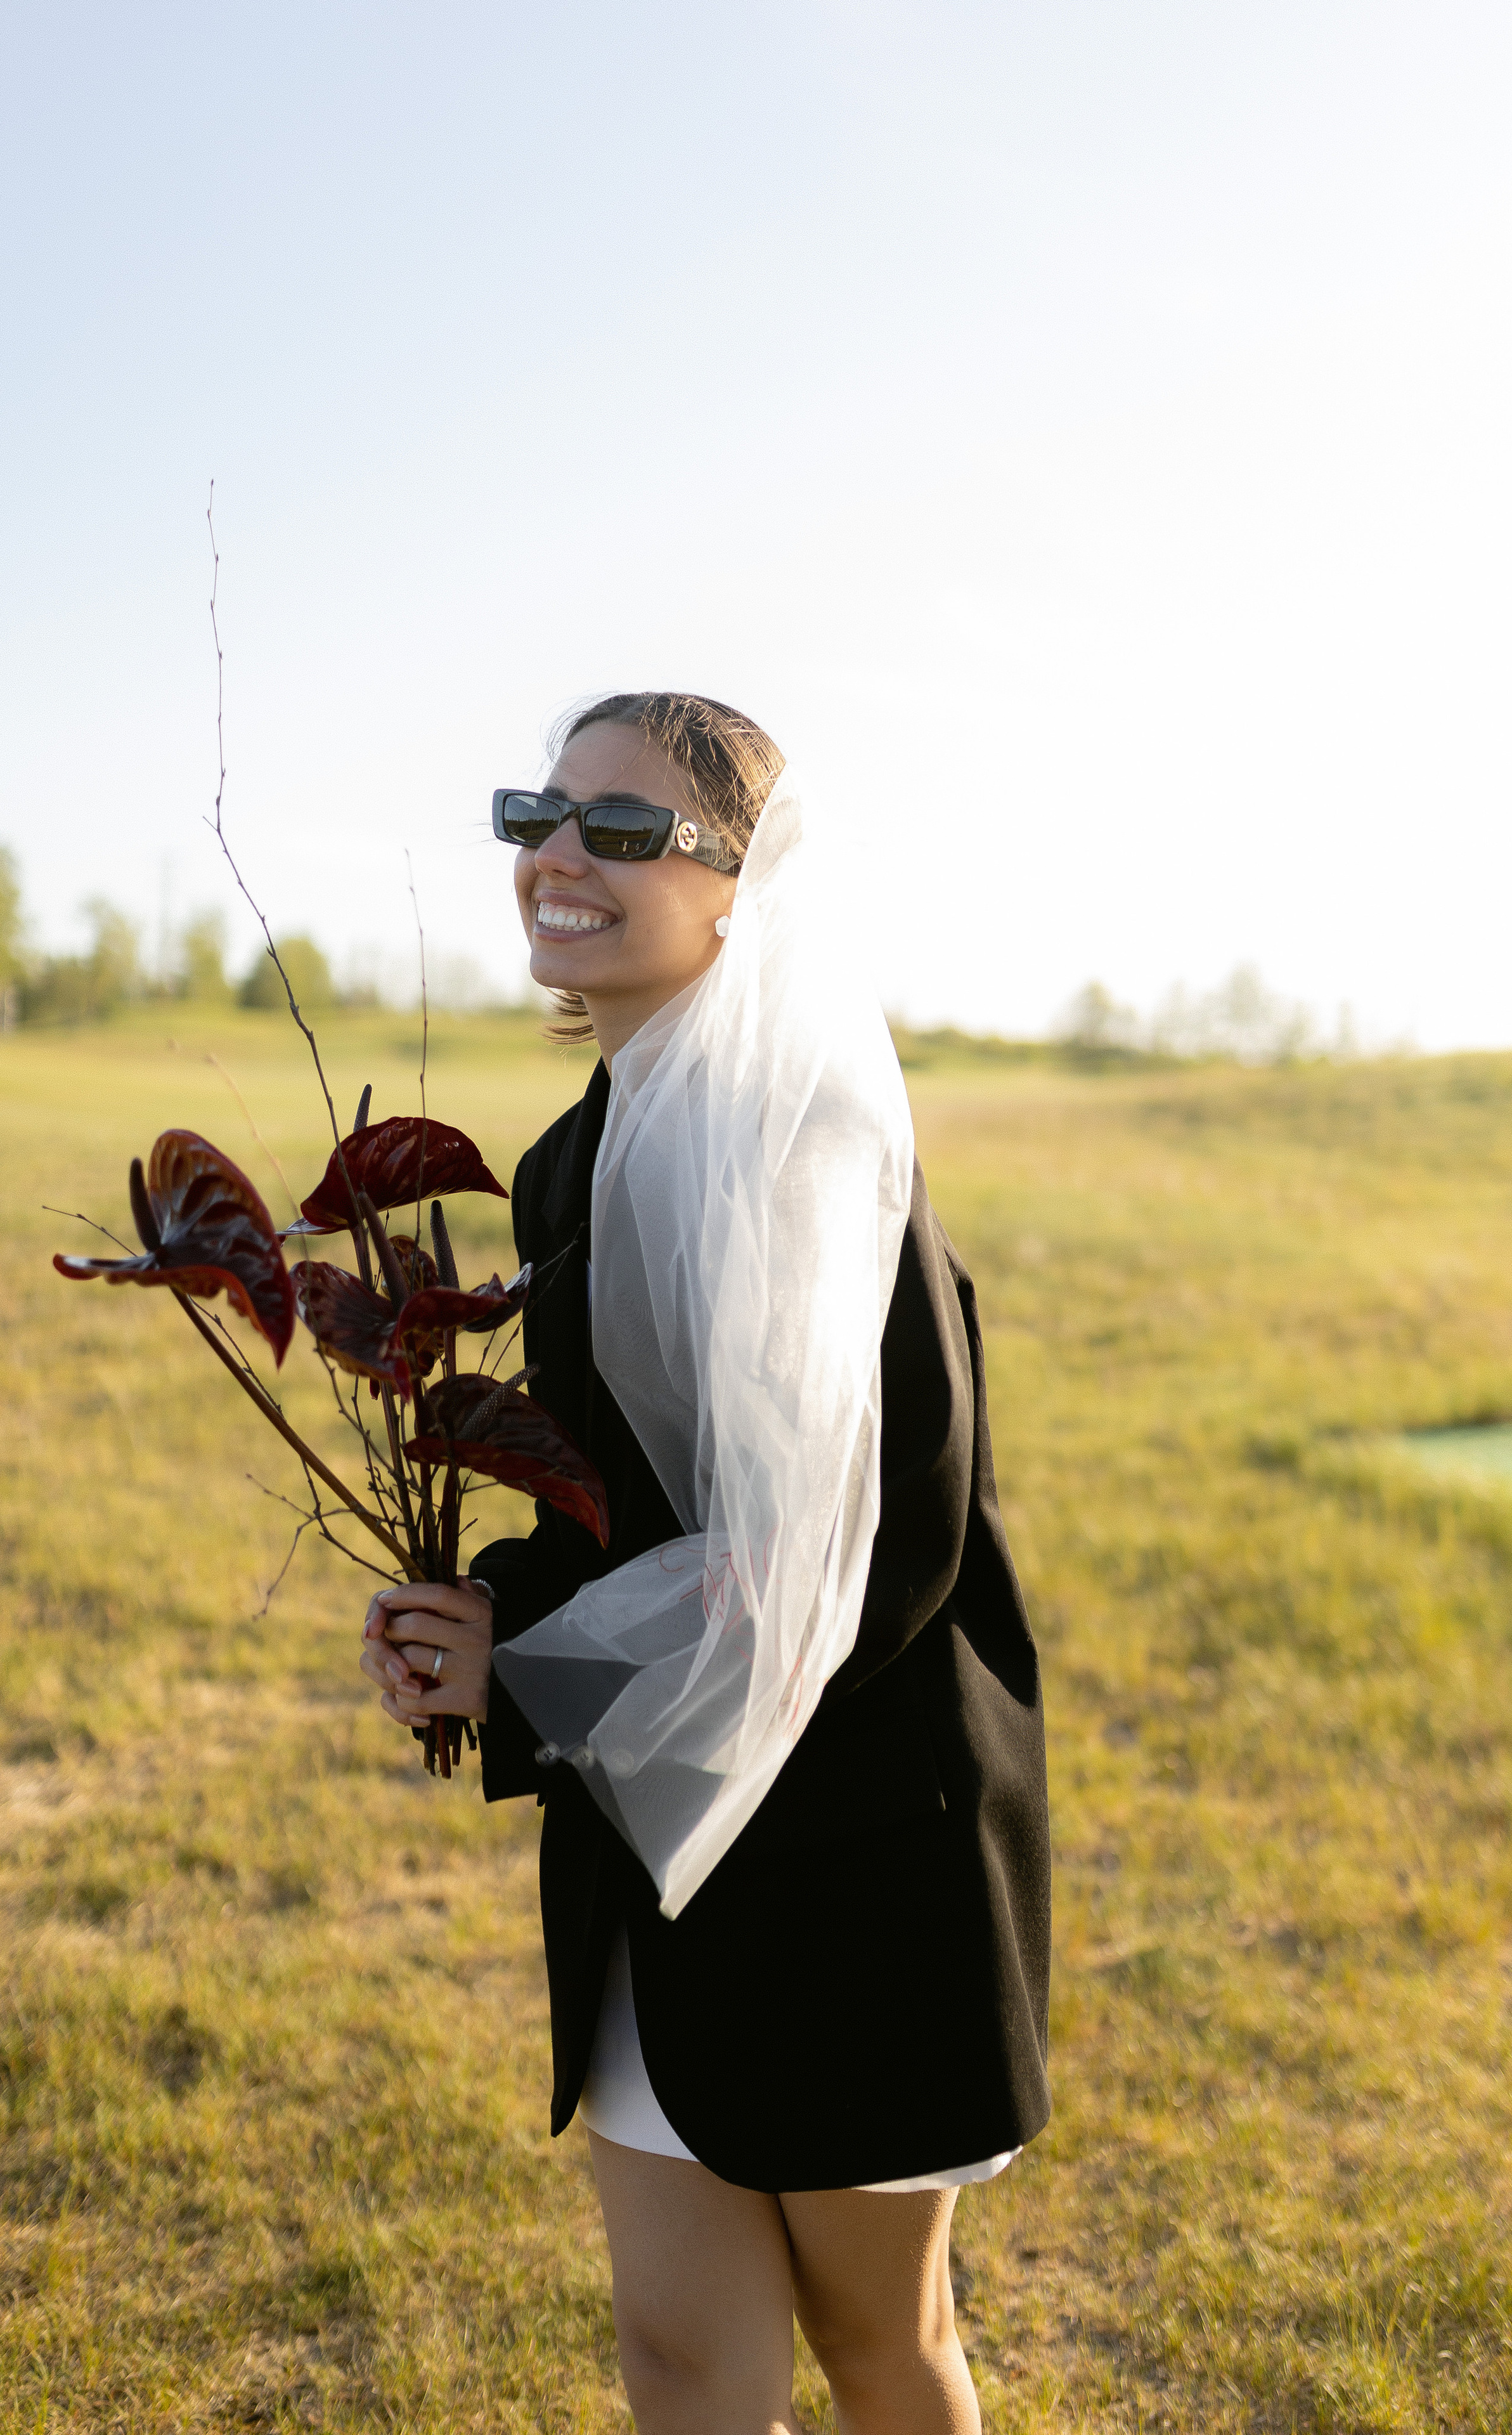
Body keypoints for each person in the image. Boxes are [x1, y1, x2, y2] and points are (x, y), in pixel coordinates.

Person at [360, 694, 1050, 2435]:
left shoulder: (821, 1146)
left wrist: (543, 1674)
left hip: (850, 1844)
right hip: (648, 1844)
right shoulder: (572, 1159)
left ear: (745, 888)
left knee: (882, 2345)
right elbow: (616, 1514)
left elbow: (857, 1561)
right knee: (680, 2356)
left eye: (622, 829)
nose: (556, 857)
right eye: (539, 813)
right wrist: (482, 1619)